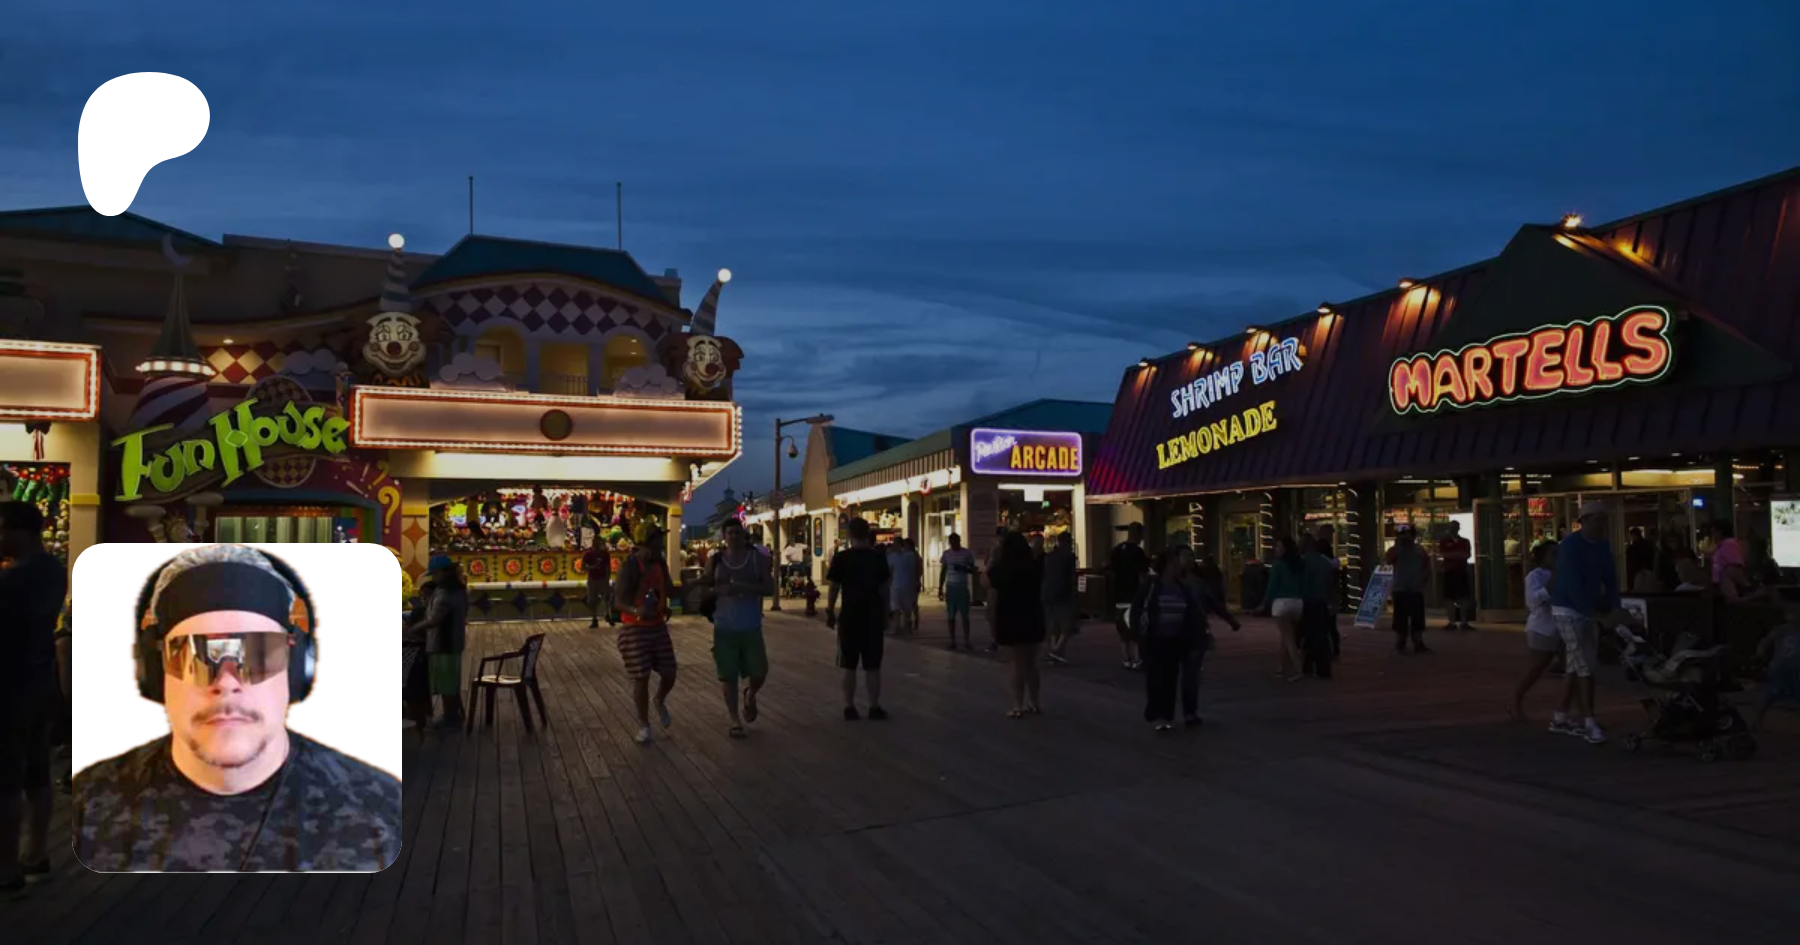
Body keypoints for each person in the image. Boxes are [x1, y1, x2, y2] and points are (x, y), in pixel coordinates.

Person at [73, 544, 401, 872]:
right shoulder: (88, 807)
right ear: (155, 673)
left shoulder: (381, 813)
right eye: (194, 655)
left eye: (258, 653)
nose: (226, 682)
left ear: (296, 669)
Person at [0, 502, 67, 894]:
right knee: (37, 774)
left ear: (19, 531)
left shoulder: (14, 579)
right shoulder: (52, 570)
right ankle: (36, 853)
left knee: (7, 780)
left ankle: (7, 868)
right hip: (40, 681)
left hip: (10, 686)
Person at [1131, 548, 1240, 731]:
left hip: (1177, 637)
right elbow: (1137, 607)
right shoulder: (1152, 585)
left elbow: (1197, 609)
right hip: (1155, 637)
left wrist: (1205, 630)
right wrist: (1137, 632)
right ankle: (1157, 713)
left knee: (1171, 677)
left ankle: (1168, 715)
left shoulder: (1184, 586)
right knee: (1156, 677)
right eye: (1174, 563)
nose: (1177, 566)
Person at [1549, 500, 1619, 744]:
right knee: (1585, 665)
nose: (1602, 525)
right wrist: (1596, 614)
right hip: (1567, 610)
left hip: (1585, 609)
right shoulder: (1570, 546)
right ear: (1585, 521)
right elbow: (1572, 585)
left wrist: (1615, 607)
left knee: (1576, 663)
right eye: (1598, 520)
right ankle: (1589, 720)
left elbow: (1610, 578)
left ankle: (1560, 715)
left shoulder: (1602, 545)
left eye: (1604, 520)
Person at [614, 529, 679, 745]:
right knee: (641, 676)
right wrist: (636, 611)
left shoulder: (660, 564)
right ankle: (644, 724)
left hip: (658, 625)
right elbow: (618, 601)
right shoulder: (630, 567)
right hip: (635, 627)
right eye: (658, 542)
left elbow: (669, 589)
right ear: (645, 544)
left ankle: (659, 699)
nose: (661, 546)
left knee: (669, 671)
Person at [709, 519, 771, 739]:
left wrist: (743, 586)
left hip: (750, 624)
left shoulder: (756, 559)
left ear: (744, 534)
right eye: (730, 533)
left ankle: (751, 693)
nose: (734, 536)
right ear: (724, 536)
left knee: (759, 671)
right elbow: (707, 587)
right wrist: (719, 590)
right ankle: (735, 720)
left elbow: (769, 587)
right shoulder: (716, 560)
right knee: (728, 676)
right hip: (724, 625)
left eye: (737, 532)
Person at [827, 518, 890, 720]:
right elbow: (885, 589)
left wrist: (830, 610)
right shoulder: (877, 558)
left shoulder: (842, 558)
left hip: (849, 616)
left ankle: (849, 706)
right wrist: (886, 614)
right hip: (872, 616)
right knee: (873, 664)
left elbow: (834, 587)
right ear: (867, 532)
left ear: (850, 534)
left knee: (849, 664)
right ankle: (874, 706)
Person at [407, 556, 469, 729]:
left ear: (443, 572)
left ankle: (451, 718)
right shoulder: (459, 590)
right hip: (453, 640)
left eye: (435, 574)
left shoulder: (446, 592)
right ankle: (452, 715)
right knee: (450, 681)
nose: (434, 578)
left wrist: (413, 628)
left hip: (444, 642)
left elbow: (434, 619)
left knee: (446, 682)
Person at [988, 532, 1046, 718]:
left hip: (1010, 616)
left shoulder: (1001, 569)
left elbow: (987, 584)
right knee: (1030, 663)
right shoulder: (1033, 567)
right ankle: (1034, 701)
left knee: (1015, 663)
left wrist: (993, 557)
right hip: (1033, 615)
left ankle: (1017, 705)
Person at [1508, 541, 1561, 721]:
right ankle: (1516, 699)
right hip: (1542, 627)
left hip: (1561, 626)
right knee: (1536, 667)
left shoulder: (1563, 573)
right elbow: (1533, 601)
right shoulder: (1535, 576)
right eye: (1553, 555)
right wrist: (1552, 583)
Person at [1261, 536, 1308, 681]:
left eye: (1279, 547)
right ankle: (1280, 668)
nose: (1276, 549)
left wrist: (1264, 603)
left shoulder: (1278, 566)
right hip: (1298, 603)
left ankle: (1298, 670)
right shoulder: (1300, 565)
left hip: (1281, 604)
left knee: (1288, 639)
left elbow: (1272, 587)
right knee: (1286, 637)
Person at [1109, 522, 1152, 670]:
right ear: (1138, 534)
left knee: (1123, 629)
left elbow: (1112, 573)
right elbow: (1142, 575)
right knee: (1135, 628)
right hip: (1134, 595)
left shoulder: (1116, 550)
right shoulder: (1138, 553)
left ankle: (1126, 658)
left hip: (1119, 595)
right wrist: (1144, 594)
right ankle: (1136, 658)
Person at [1385, 525, 1432, 655]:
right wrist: (1398, 546)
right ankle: (1400, 641)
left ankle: (1418, 642)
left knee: (1417, 617)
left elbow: (1427, 565)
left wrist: (1424, 580)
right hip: (1400, 588)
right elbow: (1388, 560)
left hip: (1416, 588)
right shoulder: (1395, 550)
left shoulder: (1419, 550)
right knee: (1400, 618)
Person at [1753, 605, 1800, 731]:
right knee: (1769, 695)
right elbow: (1765, 641)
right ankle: (1757, 721)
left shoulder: (1782, 629)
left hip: (1795, 668)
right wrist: (1760, 654)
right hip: (1781, 668)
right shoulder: (1781, 629)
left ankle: (1757, 721)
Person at [1298, 537, 1337, 679]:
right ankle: (1323, 668)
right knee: (1321, 636)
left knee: (1307, 635)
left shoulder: (1303, 562)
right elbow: (1330, 585)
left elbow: (1302, 583)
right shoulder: (1325, 563)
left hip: (1307, 602)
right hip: (1321, 602)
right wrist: (1332, 602)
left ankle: (1308, 666)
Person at [1041, 531, 1080, 665]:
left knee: (1053, 624)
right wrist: (1075, 594)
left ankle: (1055, 651)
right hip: (1062, 593)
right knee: (1067, 625)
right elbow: (1072, 577)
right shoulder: (1069, 557)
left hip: (1047, 592)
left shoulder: (1049, 556)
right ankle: (1056, 651)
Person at [937, 533, 978, 650]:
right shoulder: (946, 554)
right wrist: (940, 587)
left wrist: (964, 569)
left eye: (956, 542)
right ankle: (952, 641)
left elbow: (973, 570)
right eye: (952, 542)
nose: (954, 544)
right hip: (951, 587)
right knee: (951, 616)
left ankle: (966, 641)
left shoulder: (967, 553)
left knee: (965, 616)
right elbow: (943, 571)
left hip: (962, 587)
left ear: (959, 541)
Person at [1438, 520, 1475, 631]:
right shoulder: (1444, 541)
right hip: (1449, 572)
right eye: (1451, 527)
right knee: (1449, 598)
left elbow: (1466, 555)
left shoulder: (1465, 541)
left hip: (1461, 571)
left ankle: (1463, 622)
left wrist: (1452, 555)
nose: (1453, 529)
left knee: (1463, 597)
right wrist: (1458, 555)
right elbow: (1444, 554)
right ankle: (1452, 622)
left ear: (1458, 528)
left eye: (1455, 527)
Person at [887, 536, 922, 636]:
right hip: (897, 586)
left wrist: (916, 582)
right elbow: (890, 572)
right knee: (897, 608)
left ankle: (906, 627)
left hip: (906, 585)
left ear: (900, 545)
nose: (894, 545)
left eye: (895, 543)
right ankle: (898, 627)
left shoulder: (910, 556)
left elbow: (915, 569)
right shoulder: (892, 557)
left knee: (907, 608)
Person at [981, 526, 1008, 653]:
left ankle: (995, 640)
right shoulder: (1006, 549)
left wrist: (984, 574)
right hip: (1003, 585)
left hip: (996, 585)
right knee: (996, 614)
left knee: (992, 614)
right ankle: (999, 639)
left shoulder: (997, 550)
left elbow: (989, 565)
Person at [582, 540, 614, 629]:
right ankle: (595, 618)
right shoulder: (588, 554)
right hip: (593, 579)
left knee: (607, 598)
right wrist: (592, 567)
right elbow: (583, 567)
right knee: (592, 600)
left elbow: (608, 567)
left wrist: (607, 578)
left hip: (602, 578)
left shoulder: (605, 554)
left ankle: (607, 614)